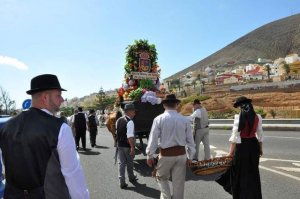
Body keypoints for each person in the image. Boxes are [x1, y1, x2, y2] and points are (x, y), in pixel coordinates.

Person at [0, 74, 90, 199]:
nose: (62, 99)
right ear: (45, 97)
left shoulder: (6, 126)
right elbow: (73, 175)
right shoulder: (60, 128)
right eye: (58, 95)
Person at [146, 94, 195, 199]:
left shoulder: (158, 119)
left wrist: (150, 155)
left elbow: (153, 139)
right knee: (179, 182)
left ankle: (166, 197)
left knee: (161, 178)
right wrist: (190, 157)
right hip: (181, 155)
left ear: (164, 105)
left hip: (166, 156)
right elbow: (190, 141)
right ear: (177, 105)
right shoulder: (185, 120)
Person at [217, 96, 264, 199]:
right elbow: (260, 135)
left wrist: (230, 153)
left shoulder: (238, 118)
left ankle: (240, 196)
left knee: (238, 172)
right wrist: (260, 148)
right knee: (253, 172)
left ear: (241, 107)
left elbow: (235, 137)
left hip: (241, 147)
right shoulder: (258, 117)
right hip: (253, 146)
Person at [115, 103, 138, 189]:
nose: (134, 113)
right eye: (133, 111)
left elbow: (117, 133)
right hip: (127, 145)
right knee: (130, 163)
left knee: (121, 163)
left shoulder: (119, 120)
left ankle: (122, 181)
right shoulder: (130, 122)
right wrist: (132, 147)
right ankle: (131, 178)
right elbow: (130, 136)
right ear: (129, 112)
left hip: (120, 145)